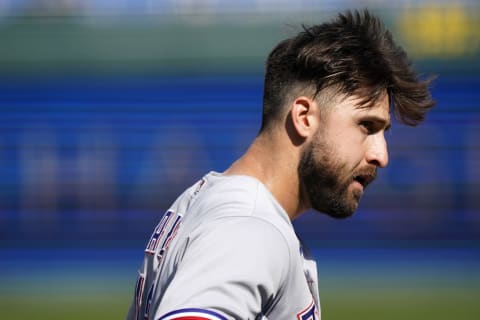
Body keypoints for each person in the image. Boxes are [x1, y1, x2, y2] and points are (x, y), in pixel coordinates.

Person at [126, 9, 435, 320]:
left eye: (384, 133)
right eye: (366, 126)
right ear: (303, 118)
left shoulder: (212, 201)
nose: (381, 154)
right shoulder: (248, 228)